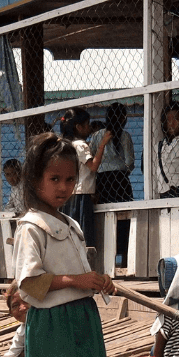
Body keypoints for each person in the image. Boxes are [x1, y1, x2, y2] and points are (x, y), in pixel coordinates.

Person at [11, 132, 116, 357]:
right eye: (54, 179)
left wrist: (97, 281)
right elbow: (29, 283)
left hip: (77, 323)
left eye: (70, 179)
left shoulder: (69, 225)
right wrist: (78, 281)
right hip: (52, 325)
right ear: (35, 180)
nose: (64, 187)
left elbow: (74, 273)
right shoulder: (31, 227)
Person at [92, 102, 135, 266]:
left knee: (104, 220)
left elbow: (92, 159)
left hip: (102, 181)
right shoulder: (125, 136)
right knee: (123, 221)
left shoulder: (98, 136)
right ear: (124, 118)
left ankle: (105, 262)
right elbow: (130, 162)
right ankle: (124, 261)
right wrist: (121, 171)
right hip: (120, 181)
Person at [57, 108, 99, 251]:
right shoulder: (81, 145)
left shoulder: (65, 145)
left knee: (71, 231)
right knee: (84, 232)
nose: (89, 128)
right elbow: (93, 166)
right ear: (78, 127)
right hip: (82, 194)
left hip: (70, 194)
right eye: (87, 124)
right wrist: (103, 145)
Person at [1, 283, 27, 357]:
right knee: (21, 355)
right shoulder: (22, 331)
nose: (22, 308)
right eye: (15, 306)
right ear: (11, 312)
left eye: (26, 300)